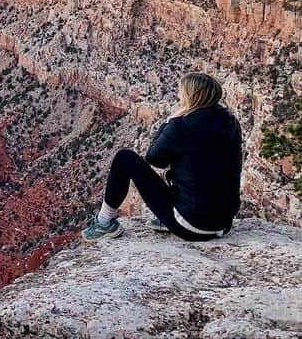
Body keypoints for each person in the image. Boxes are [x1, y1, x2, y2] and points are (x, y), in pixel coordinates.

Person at [82, 72, 242, 242]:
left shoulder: (182, 125)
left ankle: (103, 223)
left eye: (181, 91)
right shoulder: (230, 121)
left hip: (192, 226)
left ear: (190, 96)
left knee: (125, 158)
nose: (178, 95)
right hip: (222, 223)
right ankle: (170, 217)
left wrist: (170, 121)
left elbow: (154, 158)